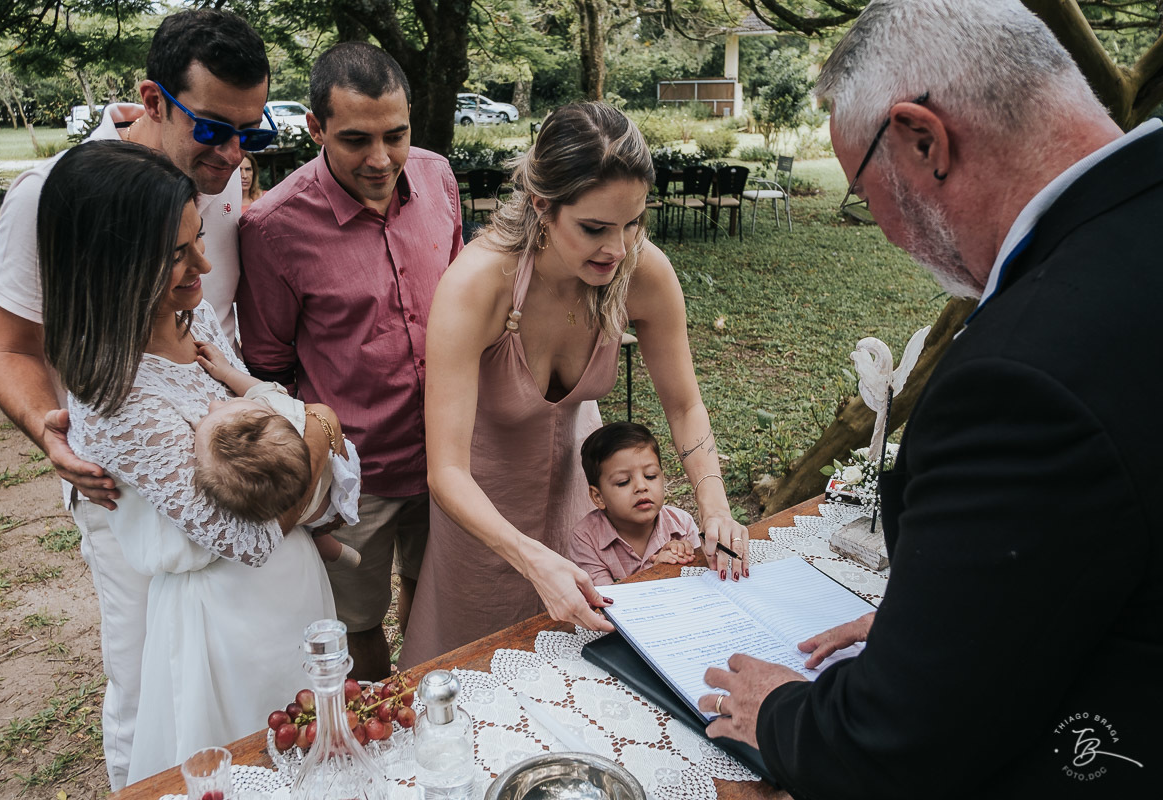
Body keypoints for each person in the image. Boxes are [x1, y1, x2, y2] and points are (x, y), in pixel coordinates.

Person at [697, 2, 1161, 797]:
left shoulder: (1021, 379)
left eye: (864, 194)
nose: (880, 229)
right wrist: (967, 618)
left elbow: (896, 743)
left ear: (923, 139)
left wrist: (780, 712)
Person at [0, 10, 273, 789]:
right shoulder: (55, 193)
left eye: (254, 131)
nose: (235, 154)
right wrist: (53, 438)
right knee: (148, 681)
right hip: (130, 481)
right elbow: (10, 348)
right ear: (152, 97)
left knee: (229, 673)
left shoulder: (221, 181)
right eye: (214, 129)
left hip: (228, 456)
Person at [399, 103, 749, 667]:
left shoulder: (644, 270)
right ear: (542, 205)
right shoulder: (477, 284)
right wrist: (531, 559)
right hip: (482, 507)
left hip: (574, 493)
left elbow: (683, 405)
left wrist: (714, 505)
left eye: (634, 222)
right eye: (594, 228)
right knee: (476, 663)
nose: (618, 248)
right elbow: (446, 471)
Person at [38, 140, 334, 783]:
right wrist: (318, 430)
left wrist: (293, 433)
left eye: (197, 239)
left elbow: (255, 411)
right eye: (175, 252)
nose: (202, 263)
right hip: (223, 624)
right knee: (248, 769)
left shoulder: (190, 312)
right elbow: (244, 537)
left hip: (292, 584)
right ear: (107, 264)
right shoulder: (117, 396)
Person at [237, 42, 464, 680]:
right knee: (356, 626)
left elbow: (463, 297)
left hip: (449, 455)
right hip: (353, 474)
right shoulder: (273, 227)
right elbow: (269, 366)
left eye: (396, 135)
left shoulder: (437, 176)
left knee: (435, 604)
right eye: (356, 140)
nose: (381, 158)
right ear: (316, 129)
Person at [194, 341, 364, 567]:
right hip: (328, 498)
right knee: (310, 514)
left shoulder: (251, 492)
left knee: (304, 520)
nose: (213, 404)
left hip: (321, 498)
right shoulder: (274, 413)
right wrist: (226, 372)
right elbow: (261, 390)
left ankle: (328, 546)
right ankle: (327, 543)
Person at [571, 422, 700, 585]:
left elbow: (701, 580)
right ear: (598, 497)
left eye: (651, 476)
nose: (641, 486)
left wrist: (683, 559)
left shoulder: (682, 525)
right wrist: (656, 573)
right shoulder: (586, 538)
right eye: (623, 482)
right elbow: (604, 601)